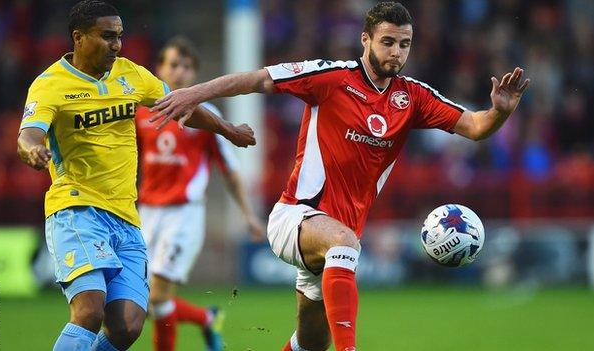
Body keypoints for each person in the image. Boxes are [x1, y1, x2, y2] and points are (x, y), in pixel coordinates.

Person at [151, 2, 530, 350]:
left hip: (334, 243)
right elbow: (258, 79)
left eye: (404, 44)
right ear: (364, 40)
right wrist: (193, 94)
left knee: (312, 342)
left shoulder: (413, 97)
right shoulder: (331, 77)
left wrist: (500, 112)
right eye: (387, 42)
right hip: (296, 216)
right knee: (345, 244)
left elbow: (475, 126)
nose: (396, 52)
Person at [16, 1, 255, 350]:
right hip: (76, 209)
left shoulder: (133, 75)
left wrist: (228, 129)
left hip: (127, 217)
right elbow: (28, 135)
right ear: (78, 38)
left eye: (120, 37)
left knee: (128, 326)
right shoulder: (49, 84)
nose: (116, 45)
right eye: (107, 36)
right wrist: (32, 151)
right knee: (89, 310)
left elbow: (179, 105)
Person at [135, 36, 265, 351]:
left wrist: (248, 215)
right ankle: (207, 318)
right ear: (159, 69)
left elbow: (230, 170)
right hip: (145, 214)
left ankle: (203, 320)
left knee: (157, 298)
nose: (180, 72)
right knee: (146, 302)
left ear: (194, 74)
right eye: (174, 64)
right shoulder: (140, 113)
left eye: (187, 67)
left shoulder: (205, 114)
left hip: (183, 215)